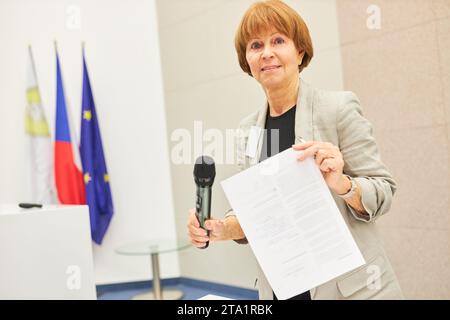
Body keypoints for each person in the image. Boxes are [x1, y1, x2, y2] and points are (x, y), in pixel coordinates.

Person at [187, 0, 404, 300]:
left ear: (300, 51)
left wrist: (343, 184)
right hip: (283, 289)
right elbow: (256, 214)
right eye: (255, 45)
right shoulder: (248, 131)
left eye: (278, 41)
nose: (267, 53)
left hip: (348, 291)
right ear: (246, 60)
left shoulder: (338, 109)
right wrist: (222, 228)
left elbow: (384, 192)